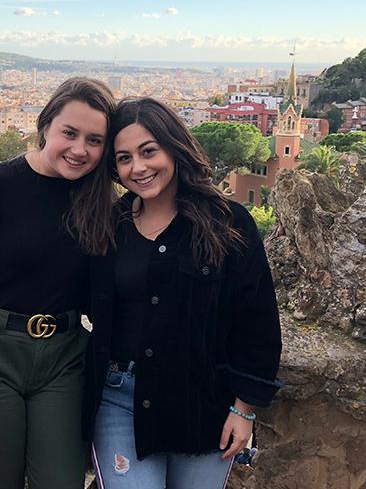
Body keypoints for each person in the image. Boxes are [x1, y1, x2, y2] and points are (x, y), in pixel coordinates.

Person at [84, 97, 282, 489]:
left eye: (148, 151)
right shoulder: (112, 226)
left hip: (203, 400)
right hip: (121, 398)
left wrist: (244, 410)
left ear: (173, 147)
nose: (137, 168)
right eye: (124, 158)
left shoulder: (227, 222)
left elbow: (256, 319)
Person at [0, 77, 117, 489]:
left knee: (61, 480)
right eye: (69, 133)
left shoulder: (102, 201)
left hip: (64, 359)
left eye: (94, 140)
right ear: (46, 126)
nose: (79, 149)